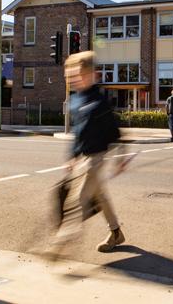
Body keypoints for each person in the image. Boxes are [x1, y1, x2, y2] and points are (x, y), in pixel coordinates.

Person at [47, 51, 126, 259]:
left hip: (96, 159)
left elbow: (116, 132)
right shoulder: (75, 101)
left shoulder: (100, 102)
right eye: (70, 76)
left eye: (77, 75)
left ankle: (59, 246)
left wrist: (121, 158)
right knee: (100, 196)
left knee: (76, 201)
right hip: (83, 159)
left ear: (91, 75)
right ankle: (116, 232)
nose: (73, 79)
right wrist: (71, 157)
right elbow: (77, 133)